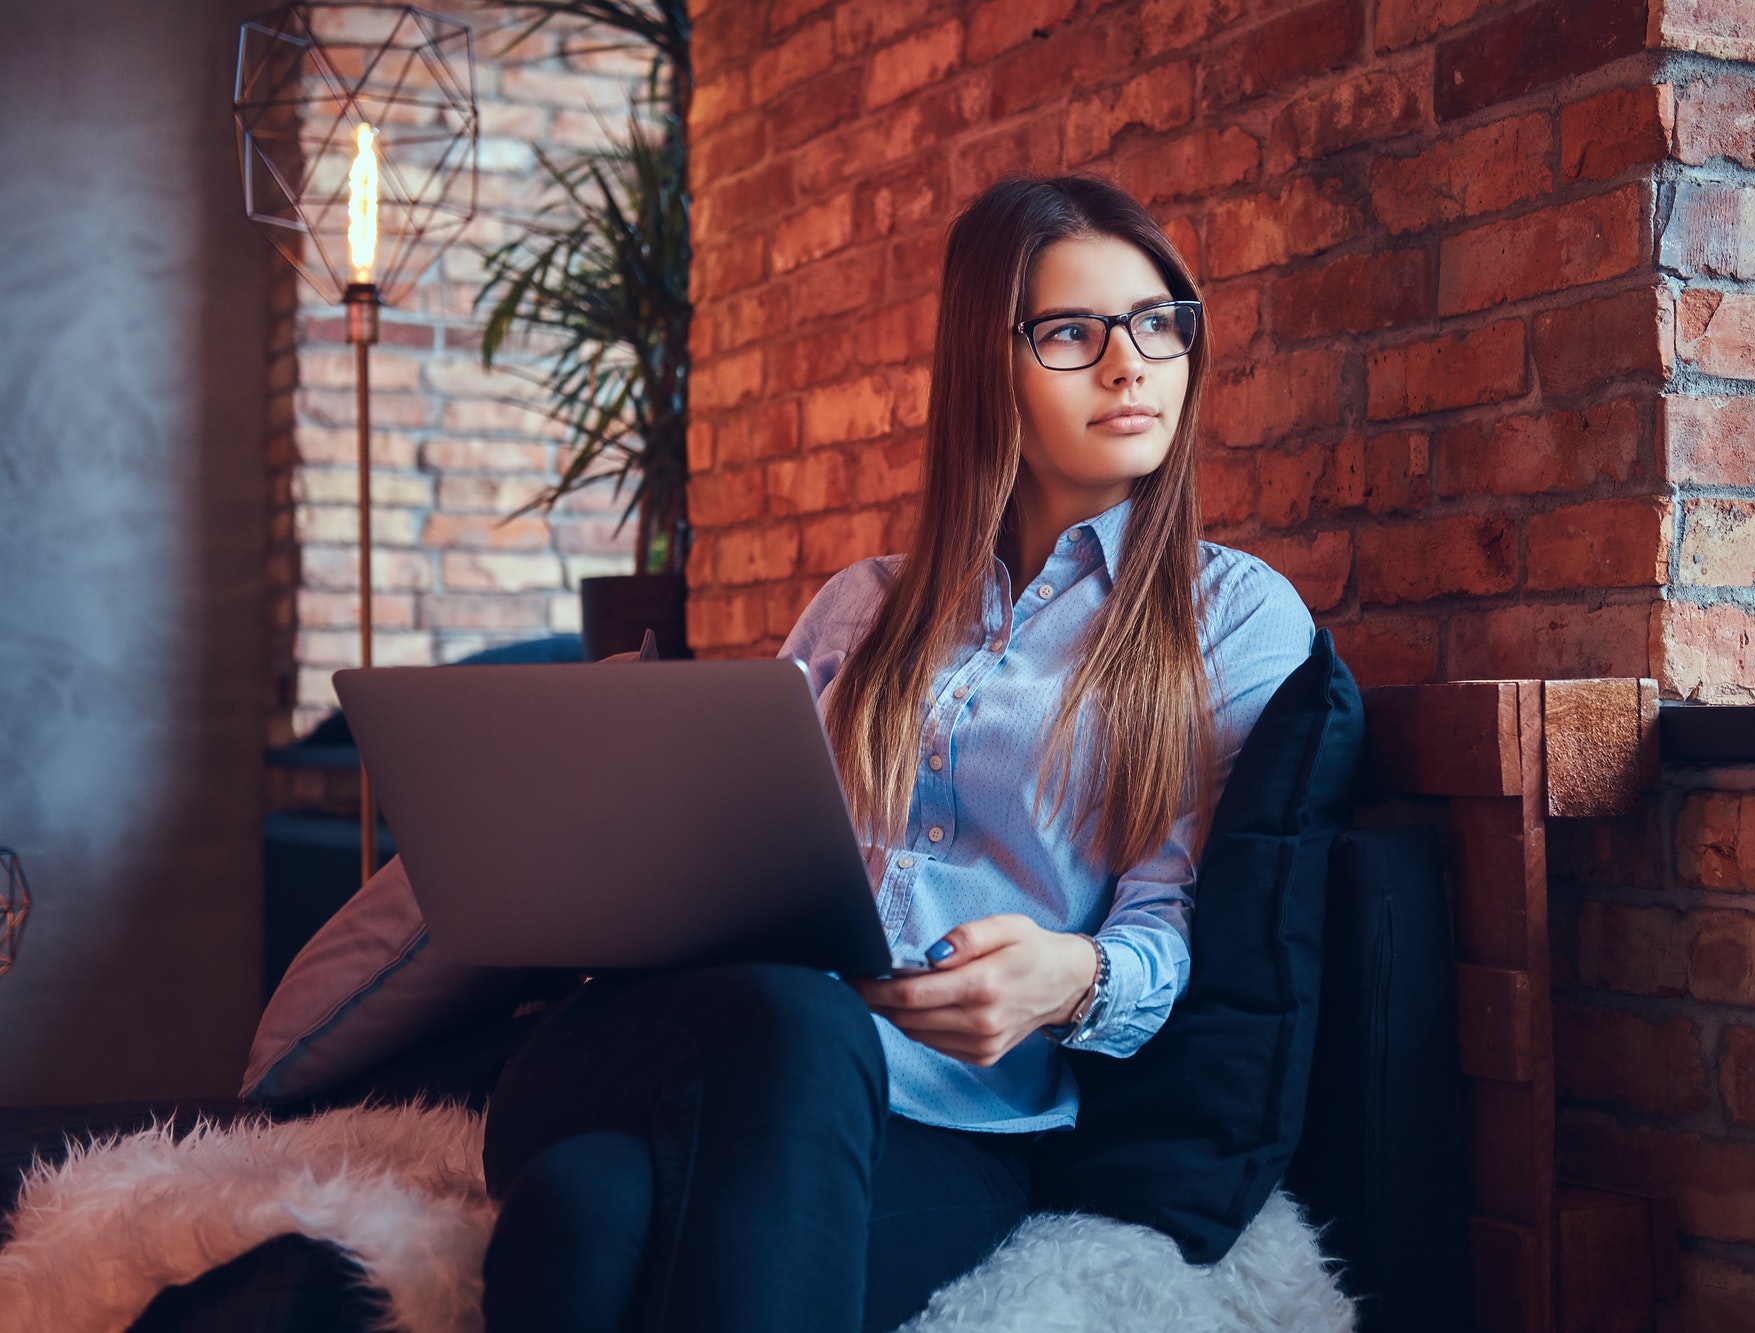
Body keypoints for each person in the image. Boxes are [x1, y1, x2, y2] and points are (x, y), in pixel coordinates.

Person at [476, 175, 1316, 1333]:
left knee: (585, 1209)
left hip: (957, 1125)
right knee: (795, 1021)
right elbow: (739, 867)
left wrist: (1064, 980)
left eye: (1157, 322)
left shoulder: (1226, 615)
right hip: (709, 1043)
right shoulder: (856, 611)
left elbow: (1168, 916)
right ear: (987, 364)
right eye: (1072, 331)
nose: (1130, 364)